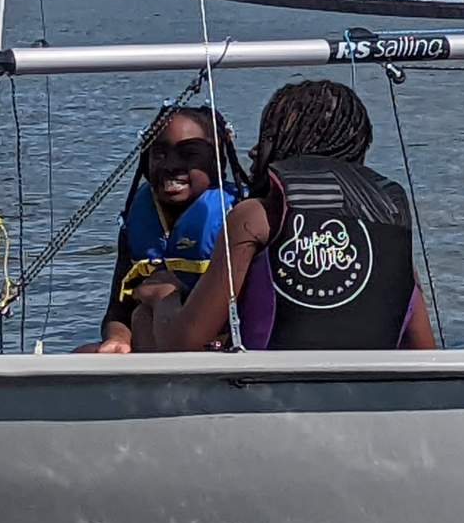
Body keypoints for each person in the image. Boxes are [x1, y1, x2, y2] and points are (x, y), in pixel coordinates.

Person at [131, 80, 436, 351]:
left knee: (143, 317)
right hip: (365, 396)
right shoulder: (390, 220)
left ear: (296, 142)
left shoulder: (254, 217)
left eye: (268, 136)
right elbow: (423, 348)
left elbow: (183, 341)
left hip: (271, 395)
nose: (253, 151)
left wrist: (165, 294)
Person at [76, 105, 246, 353]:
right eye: (159, 153)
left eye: (189, 153)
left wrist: (164, 296)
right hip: (151, 345)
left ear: (218, 159)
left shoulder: (238, 217)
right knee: (83, 354)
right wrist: (118, 338)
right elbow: (118, 309)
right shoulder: (136, 220)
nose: (171, 165)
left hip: (211, 350)